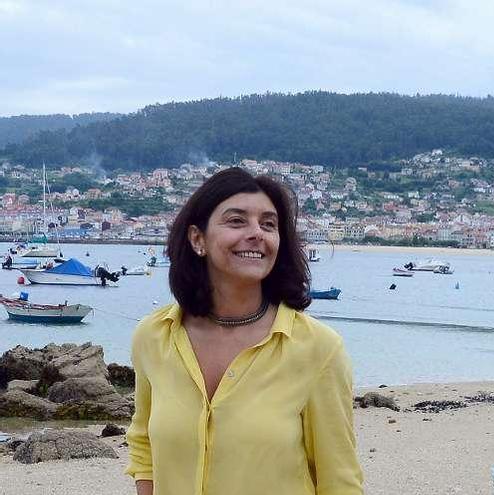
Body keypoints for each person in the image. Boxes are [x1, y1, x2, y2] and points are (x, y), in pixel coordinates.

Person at [125, 167, 363, 495]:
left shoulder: (318, 349)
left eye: (268, 224)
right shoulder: (153, 336)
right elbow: (143, 446)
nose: (256, 233)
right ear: (197, 239)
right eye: (237, 221)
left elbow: (340, 481)